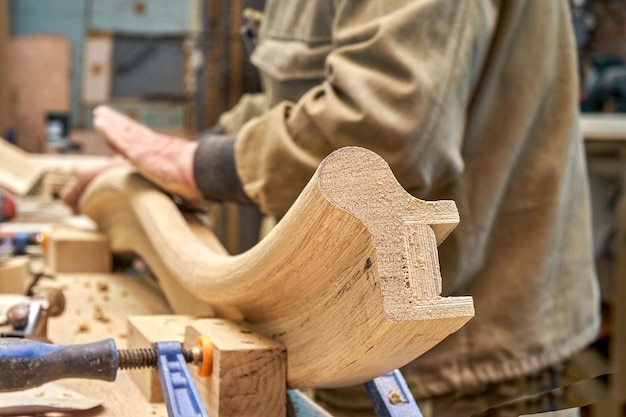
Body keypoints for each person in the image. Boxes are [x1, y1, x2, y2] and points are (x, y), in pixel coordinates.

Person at [62, 1, 600, 416]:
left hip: (455, 360)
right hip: (349, 334)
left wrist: (195, 166)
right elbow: (296, 92)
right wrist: (184, 160)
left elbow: (382, 141)